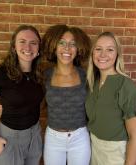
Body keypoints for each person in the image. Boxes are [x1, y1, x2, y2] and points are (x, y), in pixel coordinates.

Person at [0, 25, 44, 165]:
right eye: (22, 42)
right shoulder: (0, 74)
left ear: (38, 48)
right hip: (9, 140)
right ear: (13, 47)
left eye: (33, 43)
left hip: (34, 136)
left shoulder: (39, 74)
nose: (28, 48)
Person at [85, 32, 136, 165]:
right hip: (92, 148)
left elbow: (134, 137)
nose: (103, 55)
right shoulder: (92, 83)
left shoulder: (125, 85)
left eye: (110, 50)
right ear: (92, 53)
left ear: (117, 54)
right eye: (98, 49)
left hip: (114, 154)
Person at [40, 24, 91, 165]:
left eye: (72, 44)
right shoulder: (45, 76)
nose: (67, 48)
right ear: (54, 46)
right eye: (62, 43)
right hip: (54, 139)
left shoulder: (85, 75)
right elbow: (31, 99)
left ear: (78, 48)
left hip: (79, 137)